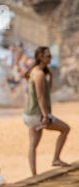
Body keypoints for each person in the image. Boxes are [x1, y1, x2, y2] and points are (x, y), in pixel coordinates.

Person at [23, 46, 71, 176]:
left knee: (33, 144)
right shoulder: (38, 74)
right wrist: (45, 115)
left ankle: (34, 174)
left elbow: (45, 91)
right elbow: (40, 96)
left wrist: (49, 74)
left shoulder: (35, 71)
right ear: (40, 57)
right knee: (65, 128)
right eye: (48, 56)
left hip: (29, 114)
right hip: (37, 114)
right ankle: (56, 158)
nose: (50, 58)